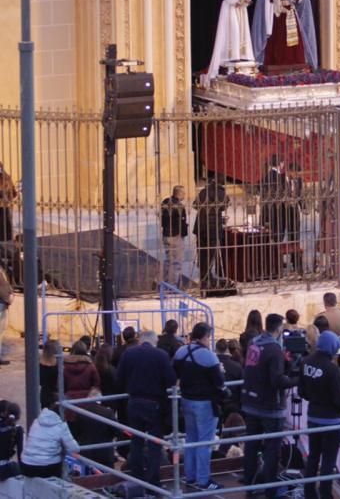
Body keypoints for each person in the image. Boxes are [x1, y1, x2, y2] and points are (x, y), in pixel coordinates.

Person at [242, 313, 298, 498]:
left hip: (250, 402)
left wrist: (285, 364)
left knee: (251, 444)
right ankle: (270, 489)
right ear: (280, 328)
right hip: (270, 407)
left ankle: (249, 483)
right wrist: (297, 380)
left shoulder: (254, 342)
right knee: (272, 449)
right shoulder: (274, 349)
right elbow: (277, 381)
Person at [116, 330, 177, 488]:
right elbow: (171, 380)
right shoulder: (161, 355)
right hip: (154, 403)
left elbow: (119, 378)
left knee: (136, 441)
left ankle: (137, 479)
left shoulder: (129, 354)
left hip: (134, 401)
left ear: (140, 340)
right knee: (154, 444)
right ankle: (153, 481)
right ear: (152, 341)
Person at [173, 322, 226, 491]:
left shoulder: (181, 351)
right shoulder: (209, 356)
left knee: (191, 439)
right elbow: (219, 383)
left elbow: (175, 372)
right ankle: (204, 480)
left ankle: (190, 476)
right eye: (209, 337)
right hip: (204, 403)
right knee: (204, 442)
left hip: (186, 400)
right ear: (204, 337)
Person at [299, 331, 340, 499]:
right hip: (331, 422)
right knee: (328, 460)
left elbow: (302, 391)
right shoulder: (333, 370)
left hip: (313, 417)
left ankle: (309, 493)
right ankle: (326, 494)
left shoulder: (305, 363)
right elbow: (339, 399)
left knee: (313, 457)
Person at [251, 0, 318, 70]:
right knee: (278, 37)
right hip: (278, 14)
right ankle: (277, 62)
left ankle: (295, 61)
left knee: (293, 37)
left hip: (290, 12)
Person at [193, 174, 230, 293]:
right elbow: (224, 206)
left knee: (202, 252)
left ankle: (204, 278)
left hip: (201, 227)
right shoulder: (221, 193)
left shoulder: (204, 191)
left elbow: (195, 205)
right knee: (211, 254)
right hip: (213, 228)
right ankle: (207, 278)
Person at [19, 406, 79, 478]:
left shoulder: (36, 421)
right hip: (47, 467)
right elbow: (74, 449)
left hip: (27, 464)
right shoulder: (61, 426)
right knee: (63, 463)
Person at [160, 185, 188, 286]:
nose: (185, 195)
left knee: (168, 260)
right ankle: (174, 285)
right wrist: (184, 234)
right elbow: (182, 223)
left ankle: (163, 282)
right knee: (177, 262)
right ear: (179, 193)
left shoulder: (165, 202)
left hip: (166, 234)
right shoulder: (179, 206)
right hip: (175, 235)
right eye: (183, 193)